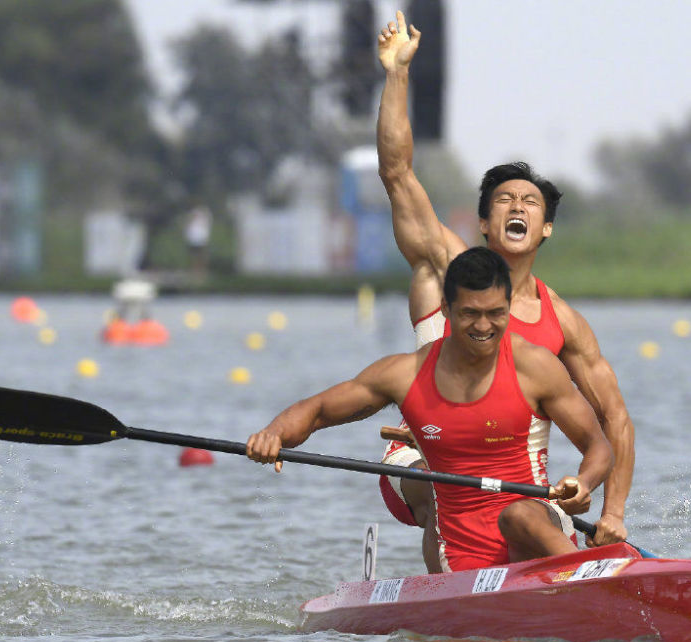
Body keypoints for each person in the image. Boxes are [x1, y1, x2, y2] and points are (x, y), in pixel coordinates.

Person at [375, 11, 635, 555]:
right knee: (442, 484)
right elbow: (398, 174)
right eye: (504, 201)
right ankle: (449, 600)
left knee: (524, 518)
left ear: (546, 228)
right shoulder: (447, 265)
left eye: (531, 202)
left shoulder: (563, 322)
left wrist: (609, 511)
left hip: (516, 475)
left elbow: (614, 421)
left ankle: (564, 582)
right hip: (428, 454)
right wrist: (398, 74)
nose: (518, 206)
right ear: (486, 224)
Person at [247, 248, 613, 572]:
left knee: (517, 514)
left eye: (496, 313)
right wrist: (274, 434)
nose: (485, 327)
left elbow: (597, 446)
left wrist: (584, 483)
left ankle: (590, 579)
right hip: (460, 549)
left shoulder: (535, 366)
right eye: (471, 314)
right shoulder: (405, 375)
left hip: (537, 530)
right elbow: (319, 410)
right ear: (447, 309)